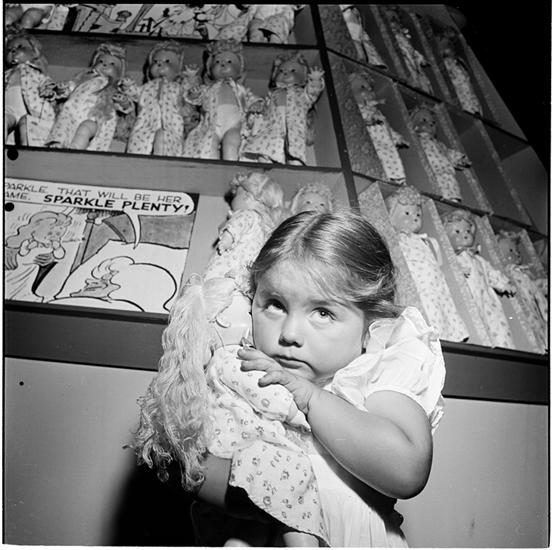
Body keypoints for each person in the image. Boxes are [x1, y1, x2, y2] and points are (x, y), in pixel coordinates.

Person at [137, 210, 445, 547]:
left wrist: (311, 398)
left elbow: (407, 472)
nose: (289, 334)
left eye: (323, 312)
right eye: (275, 304)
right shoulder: (246, 371)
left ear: (372, 322)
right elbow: (186, 469)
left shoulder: (375, 373)